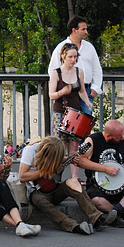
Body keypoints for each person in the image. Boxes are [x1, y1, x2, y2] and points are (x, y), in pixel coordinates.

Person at [18, 136, 117, 235]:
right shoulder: (30, 150)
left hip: (55, 187)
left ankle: (97, 218)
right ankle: (74, 226)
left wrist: (69, 159)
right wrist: (45, 172)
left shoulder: (55, 152)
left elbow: (60, 159)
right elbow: (22, 176)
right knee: (41, 202)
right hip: (37, 191)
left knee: (74, 182)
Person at [77, 120, 124, 227]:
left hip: (120, 187)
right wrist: (105, 168)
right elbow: (80, 160)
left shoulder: (122, 142)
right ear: (108, 136)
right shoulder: (93, 140)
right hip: (98, 187)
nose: (122, 139)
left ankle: (118, 210)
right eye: (118, 138)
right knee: (93, 198)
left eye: (122, 136)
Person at [49, 43, 92, 181]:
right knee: (59, 146)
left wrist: (87, 102)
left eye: (75, 56)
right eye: (70, 57)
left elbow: (82, 91)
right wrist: (62, 92)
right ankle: (56, 177)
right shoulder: (56, 73)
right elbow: (51, 95)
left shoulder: (79, 71)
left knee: (75, 145)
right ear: (63, 56)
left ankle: (75, 177)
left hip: (76, 112)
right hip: (60, 112)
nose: (73, 60)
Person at [48, 16, 103, 116]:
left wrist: (96, 87)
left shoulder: (89, 47)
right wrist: (61, 88)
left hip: (86, 90)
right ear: (74, 30)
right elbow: (53, 70)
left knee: (84, 123)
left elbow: (97, 69)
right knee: (67, 124)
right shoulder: (61, 48)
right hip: (67, 93)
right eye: (83, 29)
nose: (86, 32)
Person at [0, 142, 41, 237]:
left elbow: (2, 178)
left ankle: (20, 224)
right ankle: (20, 224)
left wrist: (7, 168)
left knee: (1, 184)